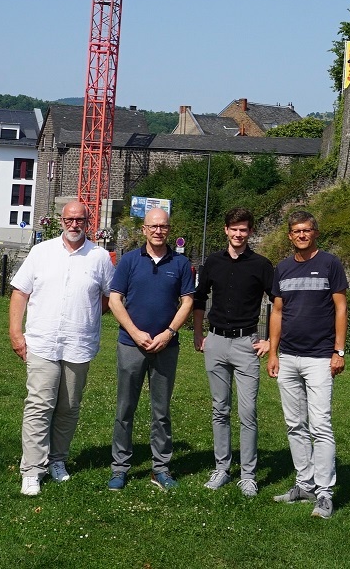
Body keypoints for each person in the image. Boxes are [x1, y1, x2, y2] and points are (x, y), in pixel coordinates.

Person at [8, 200, 114, 497]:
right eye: (69, 219)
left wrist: (89, 315)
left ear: (88, 222)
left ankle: (57, 460)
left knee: (68, 408)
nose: (74, 224)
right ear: (60, 220)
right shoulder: (41, 253)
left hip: (78, 344)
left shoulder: (100, 257)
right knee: (39, 406)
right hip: (42, 341)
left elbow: (109, 297)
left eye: (80, 219)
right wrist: (16, 334)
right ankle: (32, 469)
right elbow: (20, 293)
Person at [267, 209, 348, 520]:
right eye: (296, 231)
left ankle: (325, 493)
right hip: (287, 356)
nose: (301, 235)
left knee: (320, 426)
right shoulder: (283, 269)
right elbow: (277, 312)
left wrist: (339, 351)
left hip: (319, 357)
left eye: (307, 230)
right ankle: (304, 484)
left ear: (315, 233)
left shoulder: (330, 264)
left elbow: (341, 309)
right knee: (294, 424)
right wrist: (273, 353)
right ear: (290, 236)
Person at [108, 206, 195, 492]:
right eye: (153, 226)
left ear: (170, 230)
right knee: (125, 407)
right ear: (144, 229)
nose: (159, 231)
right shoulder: (130, 261)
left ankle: (161, 468)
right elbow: (115, 300)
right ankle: (120, 468)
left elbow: (187, 303)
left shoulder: (181, 264)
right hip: (131, 345)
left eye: (164, 226)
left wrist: (169, 334)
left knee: (161, 410)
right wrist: (135, 333)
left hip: (166, 347)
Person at [192, 206, 274, 496]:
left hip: (246, 343)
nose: (238, 234)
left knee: (248, 412)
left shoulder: (262, 265)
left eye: (244, 230)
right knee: (220, 409)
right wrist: (199, 333)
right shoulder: (212, 262)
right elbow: (199, 300)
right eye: (234, 229)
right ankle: (222, 468)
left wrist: (269, 341)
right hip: (215, 341)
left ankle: (248, 474)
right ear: (226, 230)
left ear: (250, 232)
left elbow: (278, 303)